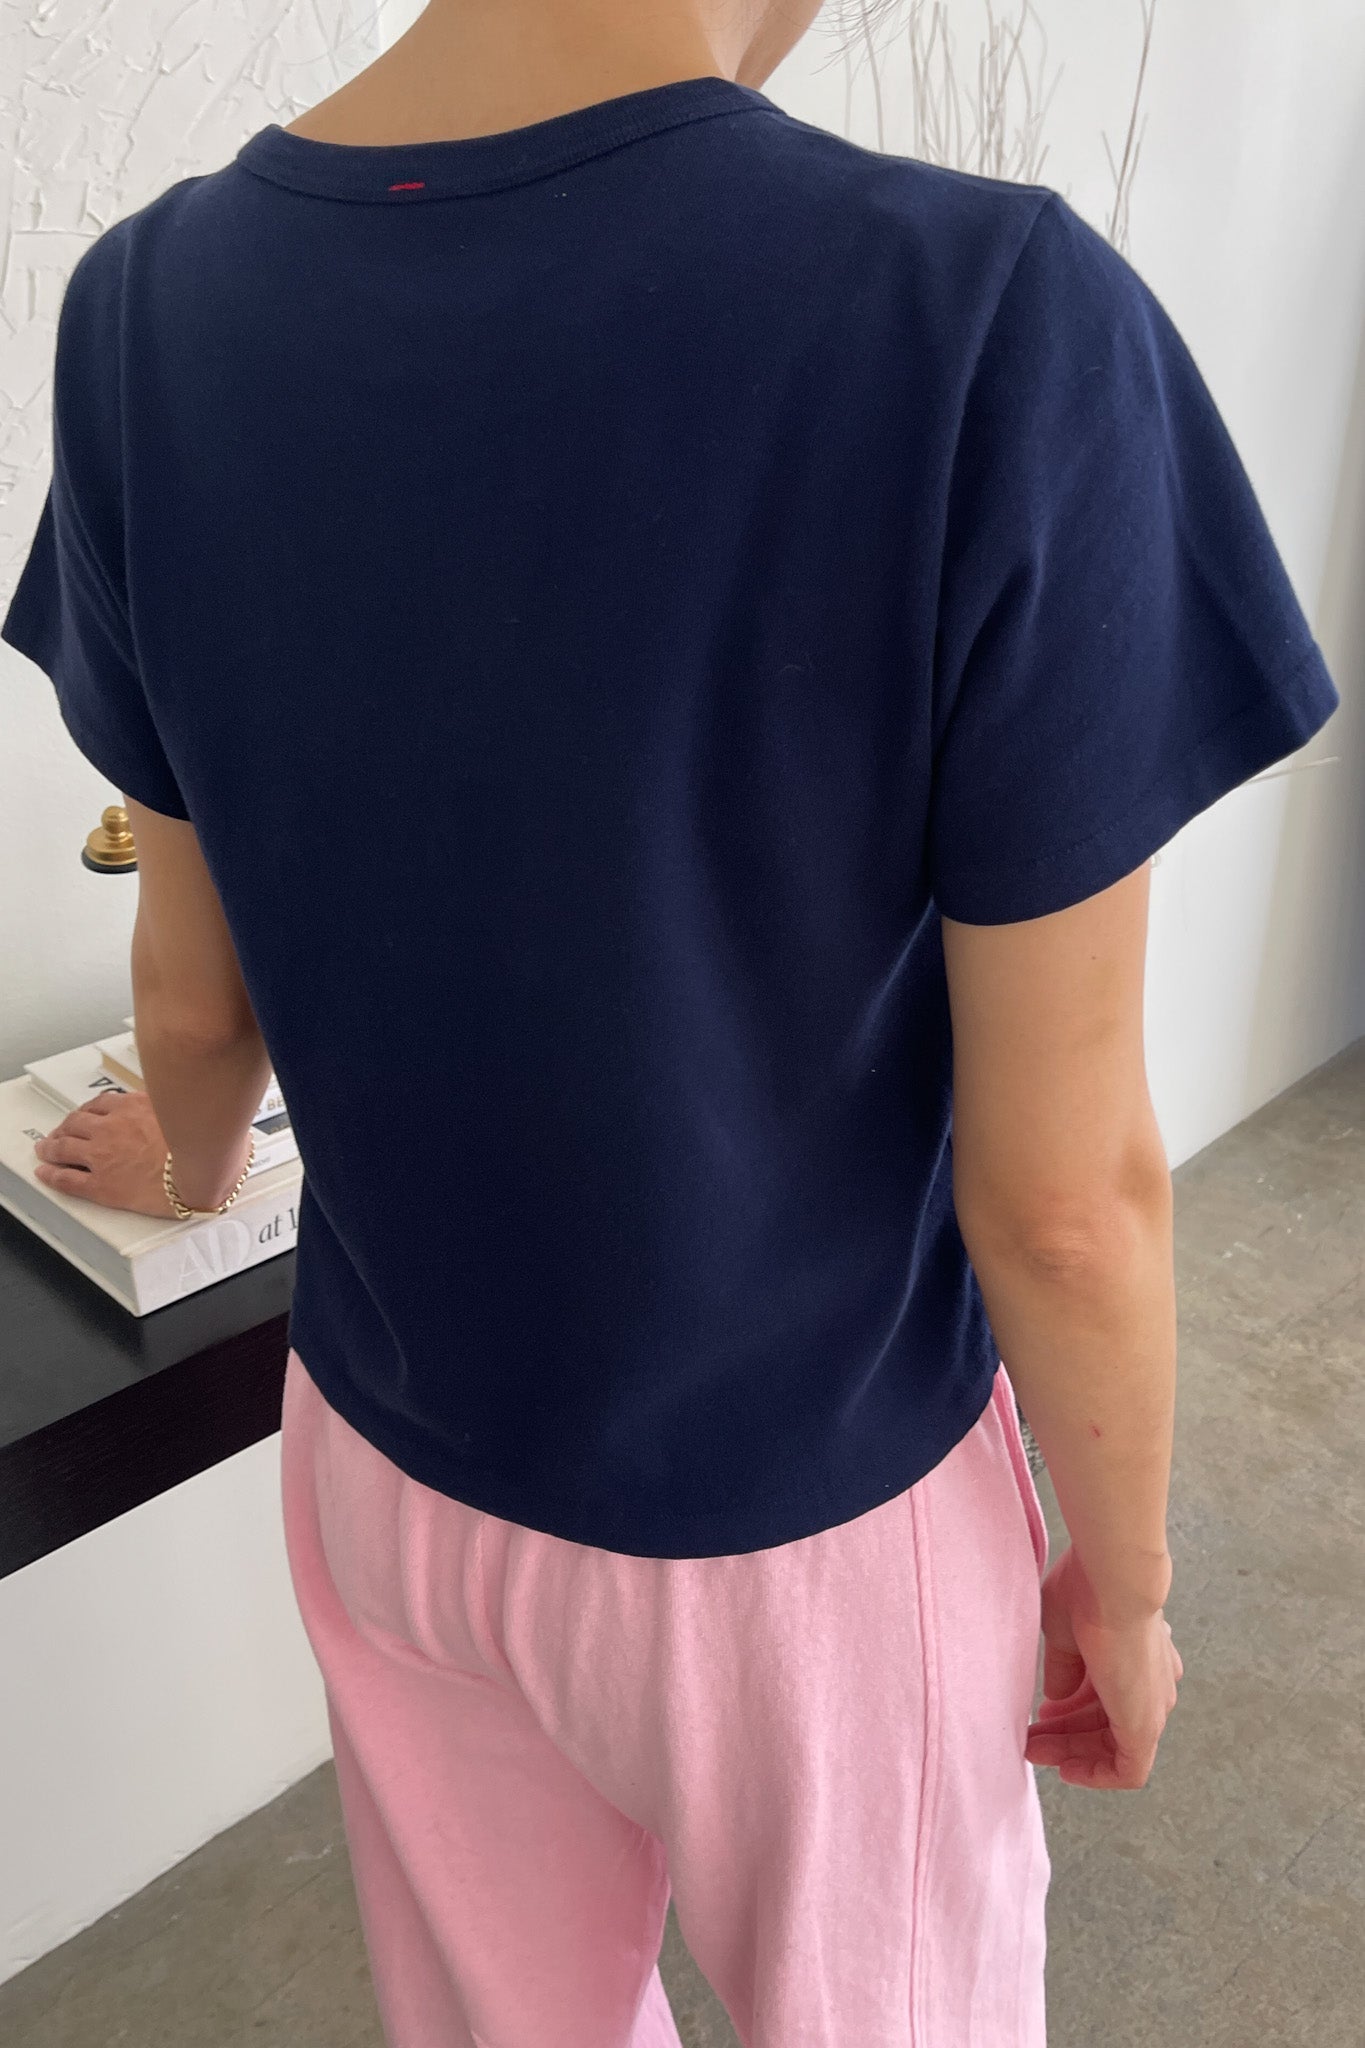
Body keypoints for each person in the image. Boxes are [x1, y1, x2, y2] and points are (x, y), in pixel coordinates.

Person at [2, 0, 1340, 2041]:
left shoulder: (142, 306)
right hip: (800, 1516)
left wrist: (180, 1166)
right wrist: (1126, 1580)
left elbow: (194, 1008)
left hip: (390, 1467)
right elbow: (1062, 1200)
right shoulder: (987, 314)